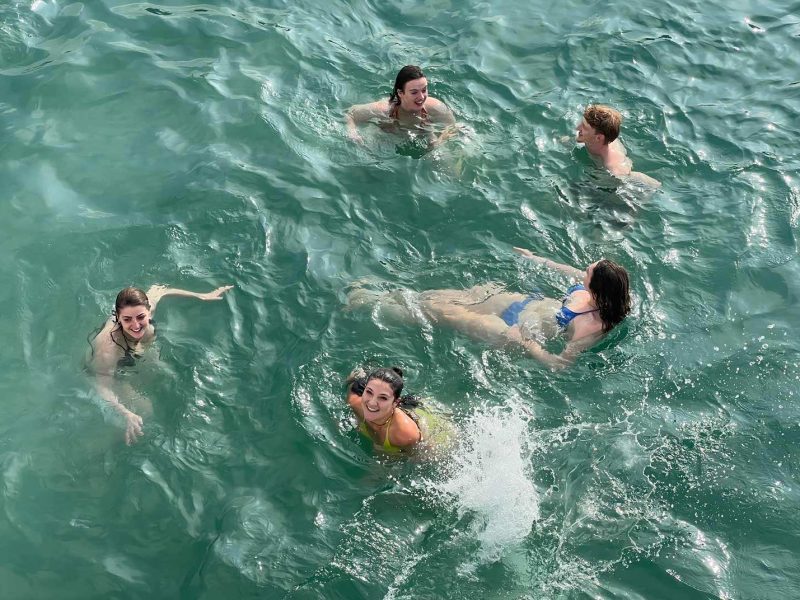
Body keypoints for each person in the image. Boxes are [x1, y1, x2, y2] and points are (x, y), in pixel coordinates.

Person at [347, 250, 631, 370]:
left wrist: (526, 344)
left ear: (597, 289)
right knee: (445, 297)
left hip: (512, 331)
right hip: (521, 302)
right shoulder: (599, 290)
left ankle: (370, 305)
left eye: (588, 272)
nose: (583, 272)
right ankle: (383, 295)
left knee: (441, 313)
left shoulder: (588, 327)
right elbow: (568, 270)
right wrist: (536, 259)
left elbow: (559, 365)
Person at [88, 284, 233, 444]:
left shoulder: (146, 307)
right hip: (110, 371)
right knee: (146, 409)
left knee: (162, 375)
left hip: (136, 355)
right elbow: (101, 385)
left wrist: (202, 296)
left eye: (141, 317)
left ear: (149, 311)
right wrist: (126, 413)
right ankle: (108, 443)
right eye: (127, 319)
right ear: (118, 317)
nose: (136, 325)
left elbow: (161, 289)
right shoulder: (107, 349)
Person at [345, 65, 457, 148]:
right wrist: (352, 133)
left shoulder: (436, 107)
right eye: (414, 92)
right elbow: (350, 113)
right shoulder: (384, 109)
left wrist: (441, 141)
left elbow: (452, 128)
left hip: (424, 136)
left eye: (424, 90)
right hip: (387, 138)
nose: (421, 97)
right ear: (400, 93)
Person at [345, 367, 450, 454]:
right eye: (369, 392)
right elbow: (353, 383)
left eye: (383, 398)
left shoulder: (405, 434)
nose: (372, 403)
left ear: (395, 402)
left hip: (434, 426)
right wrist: (351, 379)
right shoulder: (354, 403)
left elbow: (419, 458)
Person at [576, 104, 661, 187]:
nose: (578, 128)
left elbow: (648, 182)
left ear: (598, 138)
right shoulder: (593, 137)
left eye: (584, 127)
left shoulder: (613, 167)